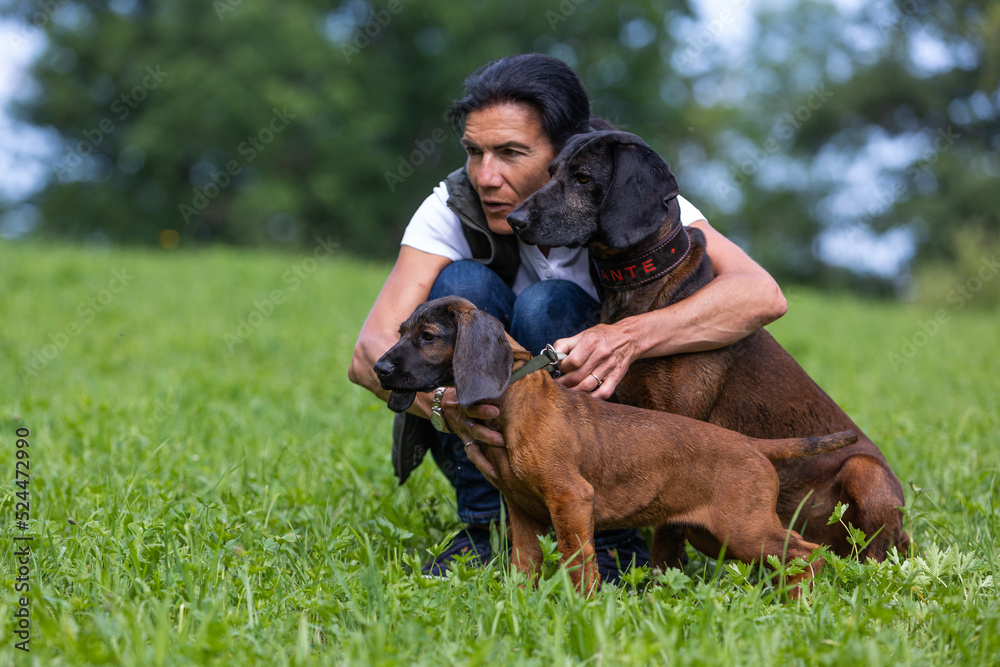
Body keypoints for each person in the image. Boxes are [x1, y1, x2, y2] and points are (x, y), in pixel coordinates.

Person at [348, 54, 787, 582]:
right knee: (460, 290)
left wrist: (628, 336)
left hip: (597, 433)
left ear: (565, 150)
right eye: (474, 152)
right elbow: (368, 350)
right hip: (501, 419)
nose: (486, 175)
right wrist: (446, 404)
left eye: (511, 153)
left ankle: (614, 540)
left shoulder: (631, 196)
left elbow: (761, 294)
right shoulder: (452, 206)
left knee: (549, 304)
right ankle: (487, 527)